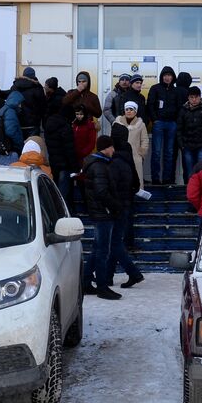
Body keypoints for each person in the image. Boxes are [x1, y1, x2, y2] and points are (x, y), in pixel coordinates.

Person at [80, 136, 123, 301]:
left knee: (98, 249)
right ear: (106, 148)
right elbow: (101, 192)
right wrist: (115, 206)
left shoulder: (98, 164)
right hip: (103, 213)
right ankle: (102, 287)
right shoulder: (99, 166)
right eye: (112, 147)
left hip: (100, 212)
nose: (113, 151)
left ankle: (85, 282)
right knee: (103, 251)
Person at [106, 123, 145, 289]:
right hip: (127, 201)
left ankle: (132, 273)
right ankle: (108, 275)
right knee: (114, 241)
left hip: (116, 204)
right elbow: (135, 179)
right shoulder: (127, 153)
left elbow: (111, 183)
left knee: (113, 242)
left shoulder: (114, 158)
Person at [146, 66, 182, 184]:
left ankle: (167, 179)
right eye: (165, 75)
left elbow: (179, 107)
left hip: (172, 124)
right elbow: (150, 105)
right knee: (156, 152)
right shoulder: (155, 88)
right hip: (159, 123)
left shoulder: (176, 90)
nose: (167, 77)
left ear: (173, 77)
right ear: (162, 77)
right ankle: (155, 179)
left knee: (169, 153)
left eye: (169, 75)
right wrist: (155, 120)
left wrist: (176, 121)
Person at [43, 108, 78, 206]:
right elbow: (69, 149)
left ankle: (55, 210)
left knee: (56, 189)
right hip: (64, 164)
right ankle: (65, 212)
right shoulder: (65, 128)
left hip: (54, 162)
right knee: (64, 193)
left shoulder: (49, 125)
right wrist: (75, 166)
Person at [177, 86, 202, 183]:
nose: (194, 99)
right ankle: (189, 192)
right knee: (189, 172)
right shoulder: (183, 110)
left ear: (200, 97)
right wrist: (181, 145)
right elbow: (179, 128)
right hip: (187, 145)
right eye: (192, 97)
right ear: (188, 98)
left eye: (196, 97)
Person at [113, 102, 150, 186]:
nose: (128, 111)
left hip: (135, 156)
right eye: (127, 109)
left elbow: (145, 140)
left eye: (131, 109)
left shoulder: (141, 124)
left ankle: (138, 195)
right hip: (120, 156)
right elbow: (112, 138)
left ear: (135, 112)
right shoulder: (117, 123)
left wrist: (141, 153)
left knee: (136, 179)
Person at [10, 67, 45, 135]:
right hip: (33, 124)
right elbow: (42, 106)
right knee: (33, 144)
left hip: (18, 122)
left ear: (24, 75)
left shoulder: (15, 86)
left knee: (19, 144)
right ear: (34, 76)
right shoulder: (37, 87)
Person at [0, 90, 26, 163]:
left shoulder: (3, 109)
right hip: (11, 150)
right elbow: (11, 131)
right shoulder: (11, 112)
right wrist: (20, 143)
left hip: (2, 147)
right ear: (16, 101)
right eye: (20, 103)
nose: (21, 105)